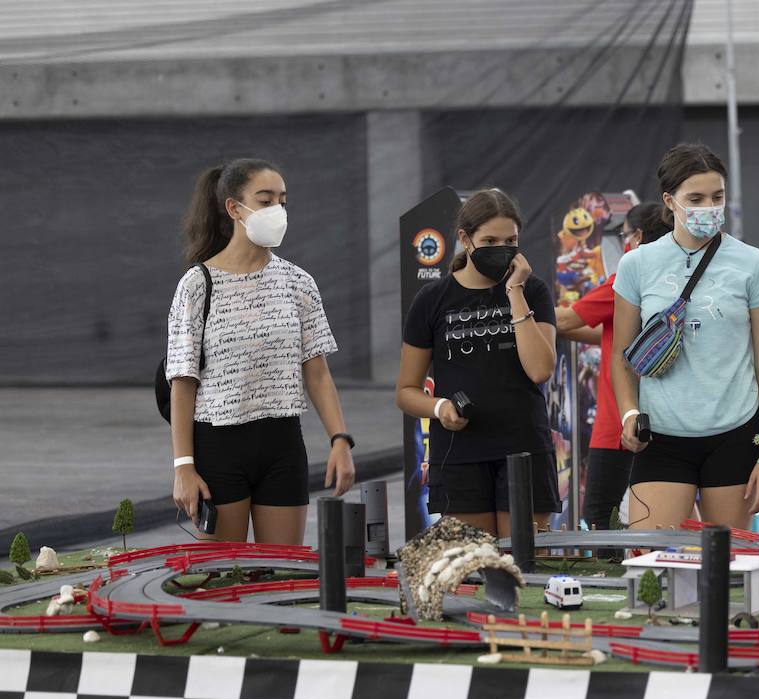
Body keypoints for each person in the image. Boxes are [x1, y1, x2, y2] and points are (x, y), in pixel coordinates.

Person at [167, 159, 355, 545]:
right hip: (218, 445)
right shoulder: (197, 285)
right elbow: (183, 383)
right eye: (265, 200)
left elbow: (317, 372)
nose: (277, 210)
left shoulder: (298, 281)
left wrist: (340, 439)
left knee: (283, 578)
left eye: (282, 201)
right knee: (223, 577)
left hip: (283, 444)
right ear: (235, 208)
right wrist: (183, 466)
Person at [610, 143, 759, 531]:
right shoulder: (637, 265)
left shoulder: (754, 264)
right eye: (696, 198)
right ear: (670, 202)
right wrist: (629, 413)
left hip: (736, 433)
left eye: (717, 196)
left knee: (728, 570)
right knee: (651, 562)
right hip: (662, 437)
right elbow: (622, 358)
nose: (709, 206)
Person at [396, 189, 560, 536]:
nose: (501, 248)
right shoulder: (432, 299)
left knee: (525, 567)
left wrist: (515, 292)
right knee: (472, 568)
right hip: (459, 454)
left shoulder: (534, 291)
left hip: (524, 449)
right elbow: (406, 391)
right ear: (465, 239)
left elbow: (541, 370)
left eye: (511, 240)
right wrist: (440, 407)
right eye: (489, 240)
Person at [555, 202, 670, 534]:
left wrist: (517, 305)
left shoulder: (629, 275)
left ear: (635, 237)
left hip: (618, 421)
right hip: (664, 417)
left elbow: (566, 318)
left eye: (622, 237)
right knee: (662, 514)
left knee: (599, 515)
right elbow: (606, 330)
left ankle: (614, 581)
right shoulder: (671, 275)